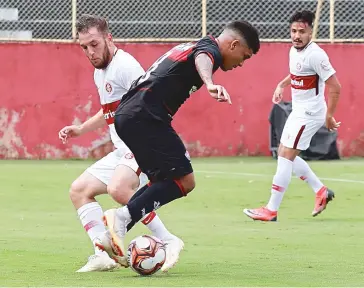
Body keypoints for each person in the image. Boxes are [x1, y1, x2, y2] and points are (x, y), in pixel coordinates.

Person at [95, 20, 260, 263]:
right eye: (244, 56)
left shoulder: (192, 45)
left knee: (161, 181)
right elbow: (203, 58)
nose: (241, 63)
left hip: (128, 115)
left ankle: (112, 235)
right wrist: (210, 82)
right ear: (233, 44)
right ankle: (121, 219)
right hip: (146, 116)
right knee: (185, 181)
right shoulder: (209, 49)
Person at [58, 14, 183, 272]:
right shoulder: (100, 71)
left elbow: (151, 104)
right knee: (79, 190)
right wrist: (81, 128)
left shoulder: (126, 67)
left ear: (108, 38)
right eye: (84, 47)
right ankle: (102, 255)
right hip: (122, 149)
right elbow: (110, 111)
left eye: (94, 44)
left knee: (119, 189)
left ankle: (169, 240)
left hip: (140, 146)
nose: (90, 52)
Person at [243, 10, 341, 222]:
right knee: (284, 152)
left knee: (286, 156)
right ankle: (321, 190)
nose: (297, 36)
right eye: (294, 31)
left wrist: (329, 116)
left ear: (311, 32)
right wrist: (281, 84)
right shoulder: (294, 51)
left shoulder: (316, 55)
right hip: (298, 111)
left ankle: (271, 209)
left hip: (310, 113)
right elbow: (297, 73)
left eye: (302, 32)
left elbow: (335, 86)